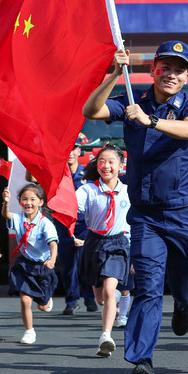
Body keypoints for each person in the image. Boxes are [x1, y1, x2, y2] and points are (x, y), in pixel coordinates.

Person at [82, 41, 188, 374]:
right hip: (146, 216)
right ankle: (142, 362)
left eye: (179, 69)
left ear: (186, 77)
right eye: (165, 67)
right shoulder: (131, 104)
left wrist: (150, 120)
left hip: (183, 213)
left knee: (184, 277)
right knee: (148, 288)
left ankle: (183, 304)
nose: (171, 74)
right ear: (153, 69)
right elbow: (92, 109)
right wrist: (110, 75)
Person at [74, 144, 131, 358]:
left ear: (121, 166)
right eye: (101, 161)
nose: (106, 166)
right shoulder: (88, 189)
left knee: (109, 291)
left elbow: (135, 222)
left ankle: (105, 336)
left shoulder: (128, 191)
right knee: (101, 299)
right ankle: (114, 306)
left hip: (118, 244)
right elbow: (73, 207)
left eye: (111, 162)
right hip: (94, 244)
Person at [2, 183, 59, 345]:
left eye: (33, 199)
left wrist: (52, 259)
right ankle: (29, 331)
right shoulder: (19, 219)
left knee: (42, 306)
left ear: (41, 202)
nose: (28, 202)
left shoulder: (45, 223)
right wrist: (6, 202)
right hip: (25, 265)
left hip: (43, 267)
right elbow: (6, 216)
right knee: (25, 300)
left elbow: (53, 243)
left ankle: (46, 300)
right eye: (24, 199)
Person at [58, 134, 98, 315]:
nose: (70, 153)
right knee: (68, 265)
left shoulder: (88, 174)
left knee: (85, 262)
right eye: (66, 148)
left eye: (73, 148)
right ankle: (71, 300)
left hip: (84, 225)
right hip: (63, 224)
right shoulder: (58, 174)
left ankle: (90, 298)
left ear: (79, 151)